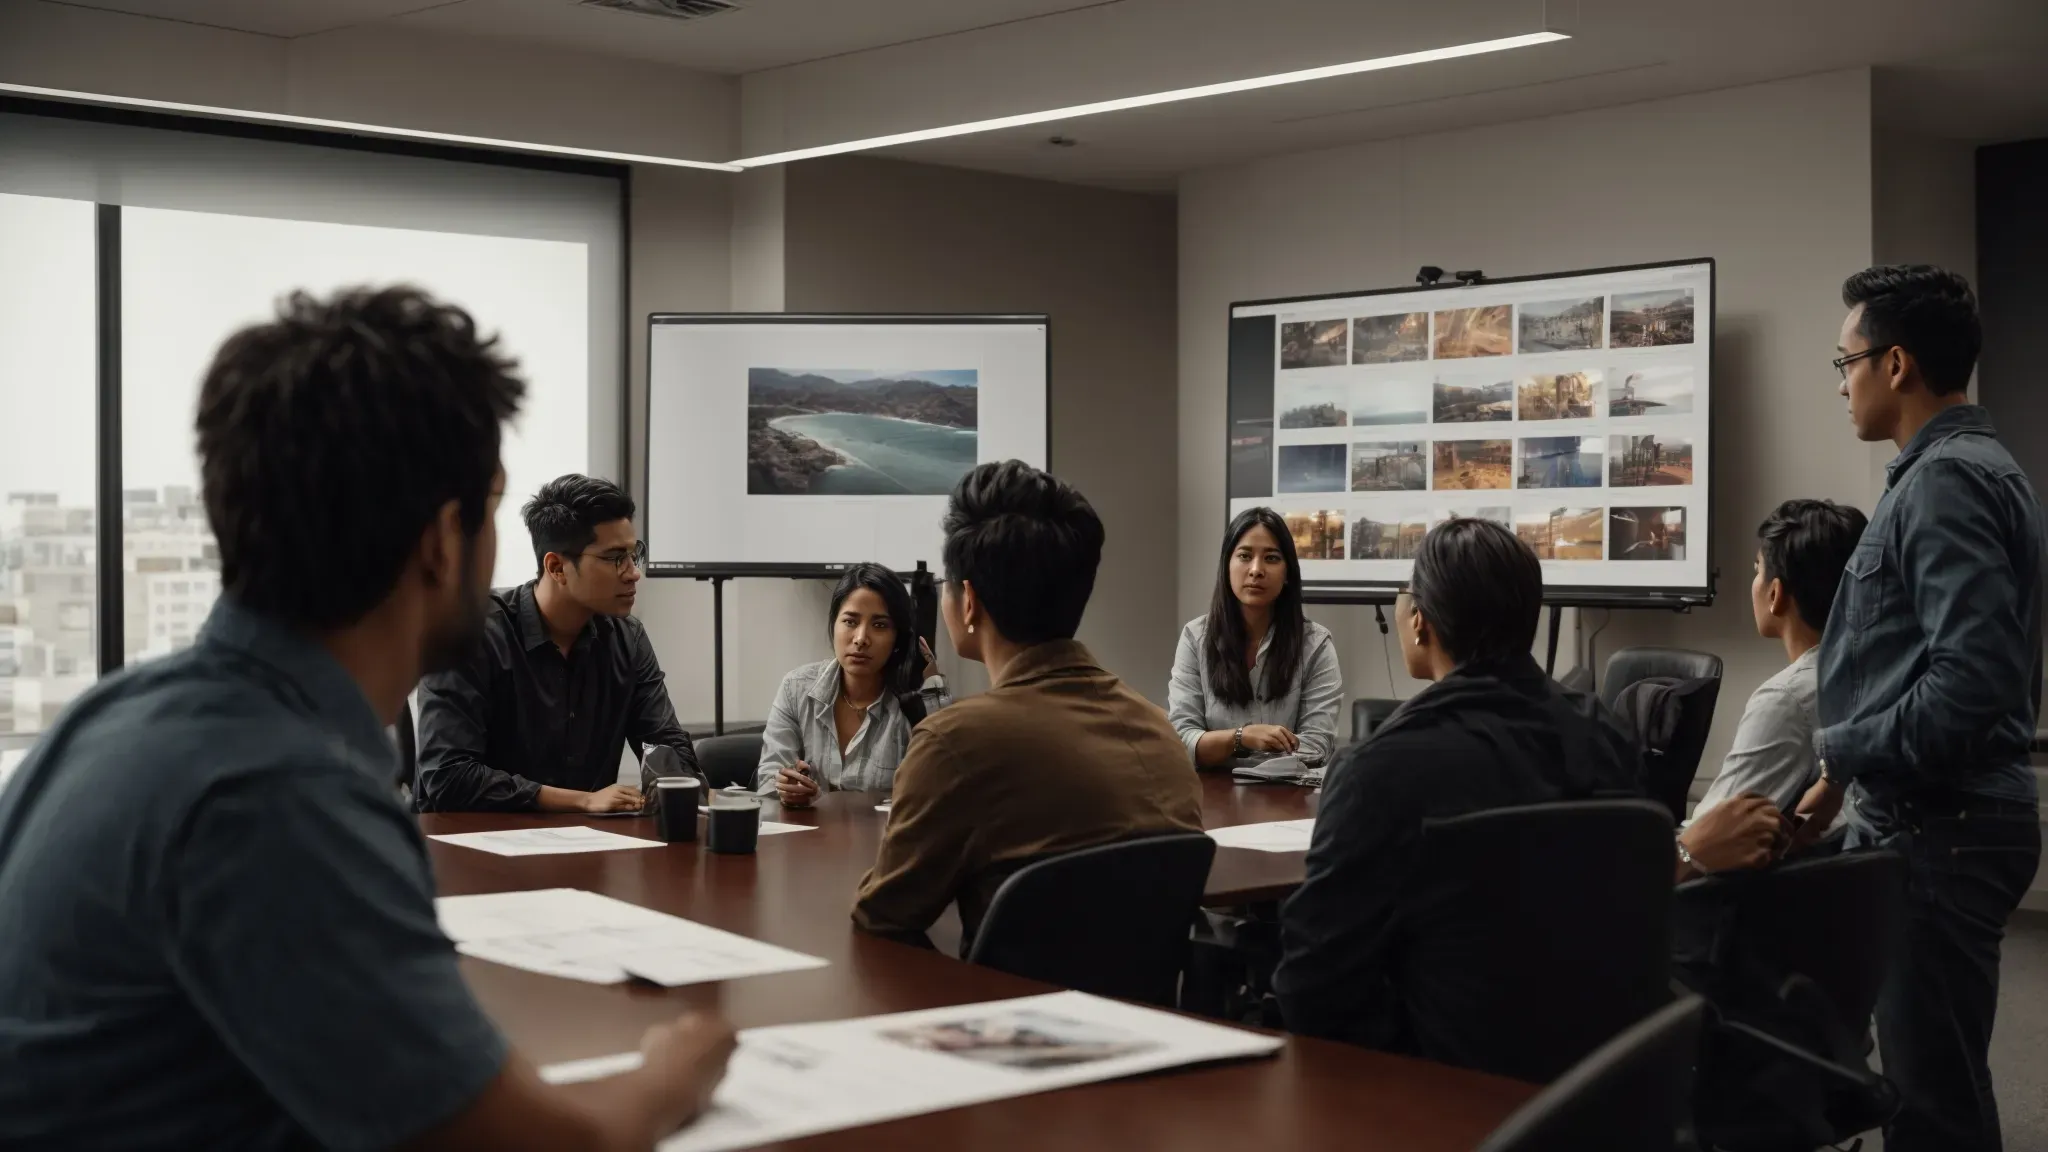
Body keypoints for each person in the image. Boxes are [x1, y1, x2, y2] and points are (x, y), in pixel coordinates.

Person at [0, 287, 732, 1148]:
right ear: (440, 539)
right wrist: (670, 1073)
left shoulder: (110, 717)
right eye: (491, 510)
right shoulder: (276, 795)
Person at [1796, 265, 2043, 1152]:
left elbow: (1971, 682)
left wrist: (1844, 745)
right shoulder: (1966, 469)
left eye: (1845, 360)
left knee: (1932, 1102)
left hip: (1941, 825)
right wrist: (1841, 773)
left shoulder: (1945, 481)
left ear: (1895, 364)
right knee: (1936, 1078)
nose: (1840, 382)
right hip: (1945, 816)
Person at [1272, 518, 1641, 1066]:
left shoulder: (1379, 771)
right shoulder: (1608, 737)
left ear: (1419, 623)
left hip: (1444, 1101)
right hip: (1602, 1087)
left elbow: (1314, 986)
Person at [852, 461, 1204, 951]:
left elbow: (882, 921)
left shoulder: (955, 743)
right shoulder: (1158, 730)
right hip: (1149, 1021)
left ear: (968, 601)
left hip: (1008, 1019)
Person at [414, 474, 700, 814]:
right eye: (613, 558)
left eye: (633, 554)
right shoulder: (471, 634)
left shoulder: (628, 639)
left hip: (585, 848)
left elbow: (668, 751)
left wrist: (690, 786)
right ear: (556, 567)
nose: (633, 572)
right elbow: (448, 777)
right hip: (468, 848)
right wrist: (580, 800)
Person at [1673, 498, 1866, 880]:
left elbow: (1712, 832)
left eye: (1757, 570)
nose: (1754, 582)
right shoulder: (1874, 673)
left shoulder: (1788, 699)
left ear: (1775, 594)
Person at [758, 563, 950, 806]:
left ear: (899, 638)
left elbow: (938, 794)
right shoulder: (796, 688)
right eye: (850, 621)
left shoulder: (916, 702)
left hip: (883, 841)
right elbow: (767, 779)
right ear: (834, 624)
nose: (860, 639)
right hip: (806, 840)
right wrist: (786, 787)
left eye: (879, 625)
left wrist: (930, 689)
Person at [1168, 507, 1343, 768]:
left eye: (1271, 558)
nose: (1256, 570)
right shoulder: (1196, 639)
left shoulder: (1315, 645)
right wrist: (1241, 738)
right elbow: (1180, 740)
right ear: (1227, 565)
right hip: (1212, 799)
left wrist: (1227, 748)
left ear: (1287, 574)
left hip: (1286, 800)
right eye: (1245, 556)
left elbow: (1318, 745)